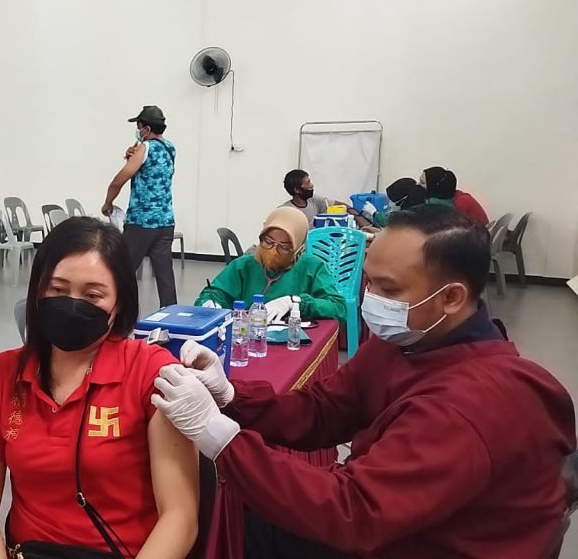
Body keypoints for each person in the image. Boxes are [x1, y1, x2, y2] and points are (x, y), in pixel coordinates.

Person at [153, 205, 576, 559]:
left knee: (244, 529)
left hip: (420, 542)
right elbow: (325, 408)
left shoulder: (470, 405)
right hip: (388, 520)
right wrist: (231, 396)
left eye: (388, 289)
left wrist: (220, 437)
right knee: (246, 519)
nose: (370, 299)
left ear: (451, 297)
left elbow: (354, 512)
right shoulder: (407, 340)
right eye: (368, 281)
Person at [0, 217, 198, 558]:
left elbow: (180, 517)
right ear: (38, 291)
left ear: (119, 303)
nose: (72, 304)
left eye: (92, 295)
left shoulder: (152, 374)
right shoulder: (1, 374)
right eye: (58, 290)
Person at [196, 207, 346, 325]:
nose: (273, 251)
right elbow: (216, 293)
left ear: (298, 249)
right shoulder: (243, 266)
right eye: (268, 241)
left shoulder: (312, 268)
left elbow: (338, 308)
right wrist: (209, 303)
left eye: (284, 247)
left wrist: (294, 302)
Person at [101, 105, 179, 307]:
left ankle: (115, 312)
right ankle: (171, 314)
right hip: (165, 222)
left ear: (146, 129)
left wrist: (108, 202)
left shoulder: (145, 148)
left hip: (141, 222)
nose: (137, 131)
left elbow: (120, 180)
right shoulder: (170, 148)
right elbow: (151, 171)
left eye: (138, 127)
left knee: (123, 271)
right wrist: (132, 156)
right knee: (165, 276)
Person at [281, 169, 369, 228]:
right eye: (307, 183)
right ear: (297, 190)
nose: (312, 185)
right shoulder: (286, 211)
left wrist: (359, 218)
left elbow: (339, 204)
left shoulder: (314, 200)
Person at [421, 166, 489, 227]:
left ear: (433, 185)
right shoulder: (452, 198)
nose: (419, 184)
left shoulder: (462, 202)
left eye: (422, 182)